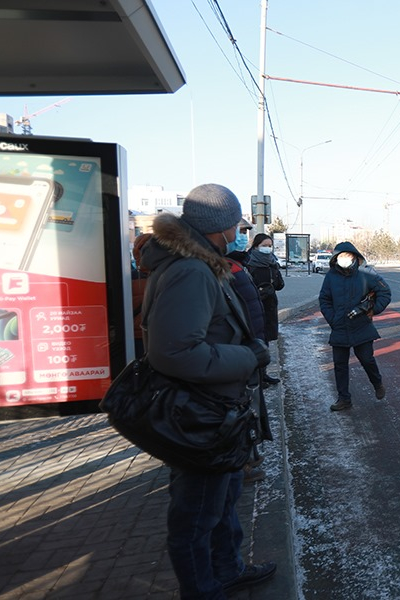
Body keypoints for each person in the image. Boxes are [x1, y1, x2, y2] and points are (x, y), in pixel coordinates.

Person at [138, 183, 276, 598]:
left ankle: (227, 569)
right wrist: (248, 357)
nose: (239, 231)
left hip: (216, 411)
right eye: (236, 224)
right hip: (200, 414)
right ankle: (204, 589)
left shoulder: (198, 262)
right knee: (196, 515)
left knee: (223, 496)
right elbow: (175, 352)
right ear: (220, 226)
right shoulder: (190, 270)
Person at [319, 241, 392, 411]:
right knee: (340, 365)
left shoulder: (366, 274)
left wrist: (373, 310)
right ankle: (344, 399)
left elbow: (385, 292)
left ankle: (377, 383)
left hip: (361, 326)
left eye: (348, 255)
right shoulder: (331, 276)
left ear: (355, 257)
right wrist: (333, 318)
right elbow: (324, 300)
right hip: (339, 327)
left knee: (366, 359)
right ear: (336, 258)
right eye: (341, 256)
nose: (345, 259)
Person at [224, 219, 270, 485]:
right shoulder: (220, 266)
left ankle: (247, 457)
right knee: (242, 408)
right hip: (240, 354)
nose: (242, 236)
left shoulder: (238, 262)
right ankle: (241, 463)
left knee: (249, 408)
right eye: (240, 231)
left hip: (250, 349)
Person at [246, 233, 284, 386]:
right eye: (264, 246)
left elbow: (280, 285)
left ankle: (264, 374)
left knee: (266, 340)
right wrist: (260, 291)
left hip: (269, 306)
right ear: (256, 246)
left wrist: (275, 276)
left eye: (270, 246)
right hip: (255, 308)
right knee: (256, 341)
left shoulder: (272, 262)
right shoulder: (249, 263)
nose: (268, 249)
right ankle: (256, 376)